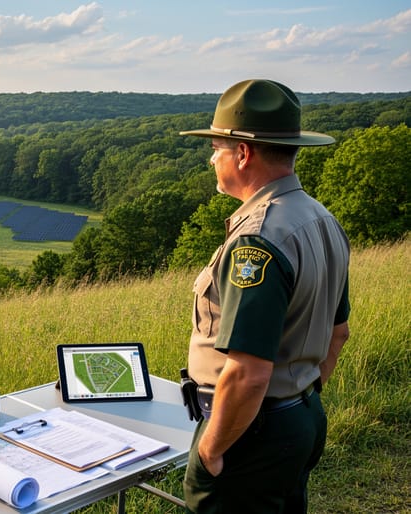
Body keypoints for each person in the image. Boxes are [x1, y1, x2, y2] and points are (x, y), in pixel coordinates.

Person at [178, 79, 351, 513]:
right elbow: (338, 333)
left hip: (248, 434)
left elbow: (249, 372)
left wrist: (211, 451)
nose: (212, 158)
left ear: (243, 153)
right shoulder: (321, 219)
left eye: (216, 147)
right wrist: (298, 400)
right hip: (298, 418)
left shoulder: (258, 240)